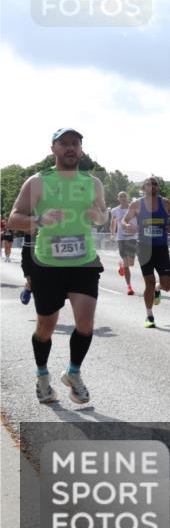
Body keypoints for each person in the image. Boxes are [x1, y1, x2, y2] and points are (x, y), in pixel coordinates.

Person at [7, 127, 107, 404]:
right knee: (45, 327)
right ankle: (42, 376)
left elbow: (103, 215)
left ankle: (73, 373)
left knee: (85, 323)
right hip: (47, 264)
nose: (70, 147)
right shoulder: (38, 182)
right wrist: (39, 221)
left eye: (75, 143)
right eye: (64, 143)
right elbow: (14, 218)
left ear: (82, 149)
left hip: (83, 262)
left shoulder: (92, 183)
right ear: (53, 149)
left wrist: (97, 215)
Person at [125, 177, 170, 328]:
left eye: (155, 184)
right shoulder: (136, 204)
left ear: (158, 187)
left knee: (167, 285)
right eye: (149, 184)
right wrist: (127, 226)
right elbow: (125, 221)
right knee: (148, 282)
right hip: (144, 248)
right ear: (143, 187)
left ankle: (159, 289)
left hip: (161, 248)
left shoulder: (165, 203)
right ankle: (149, 316)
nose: (152, 186)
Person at [109, 191, 138, 295]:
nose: (122, 198)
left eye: (124, 196)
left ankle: (121, 264)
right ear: (118, 198)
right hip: (121, 238)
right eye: (120, 196)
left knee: (131, 263)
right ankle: (129, 287)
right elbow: (113, 222)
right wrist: (112, 233)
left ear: (127, 197)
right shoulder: (115, 210)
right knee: (127, 264)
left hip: (132, 237)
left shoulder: (133, 208)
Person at [19, 231, 34, 305]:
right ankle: (28, 287)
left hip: (49, 248)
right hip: (30, 247)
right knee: (31, 282)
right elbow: (12, 224)